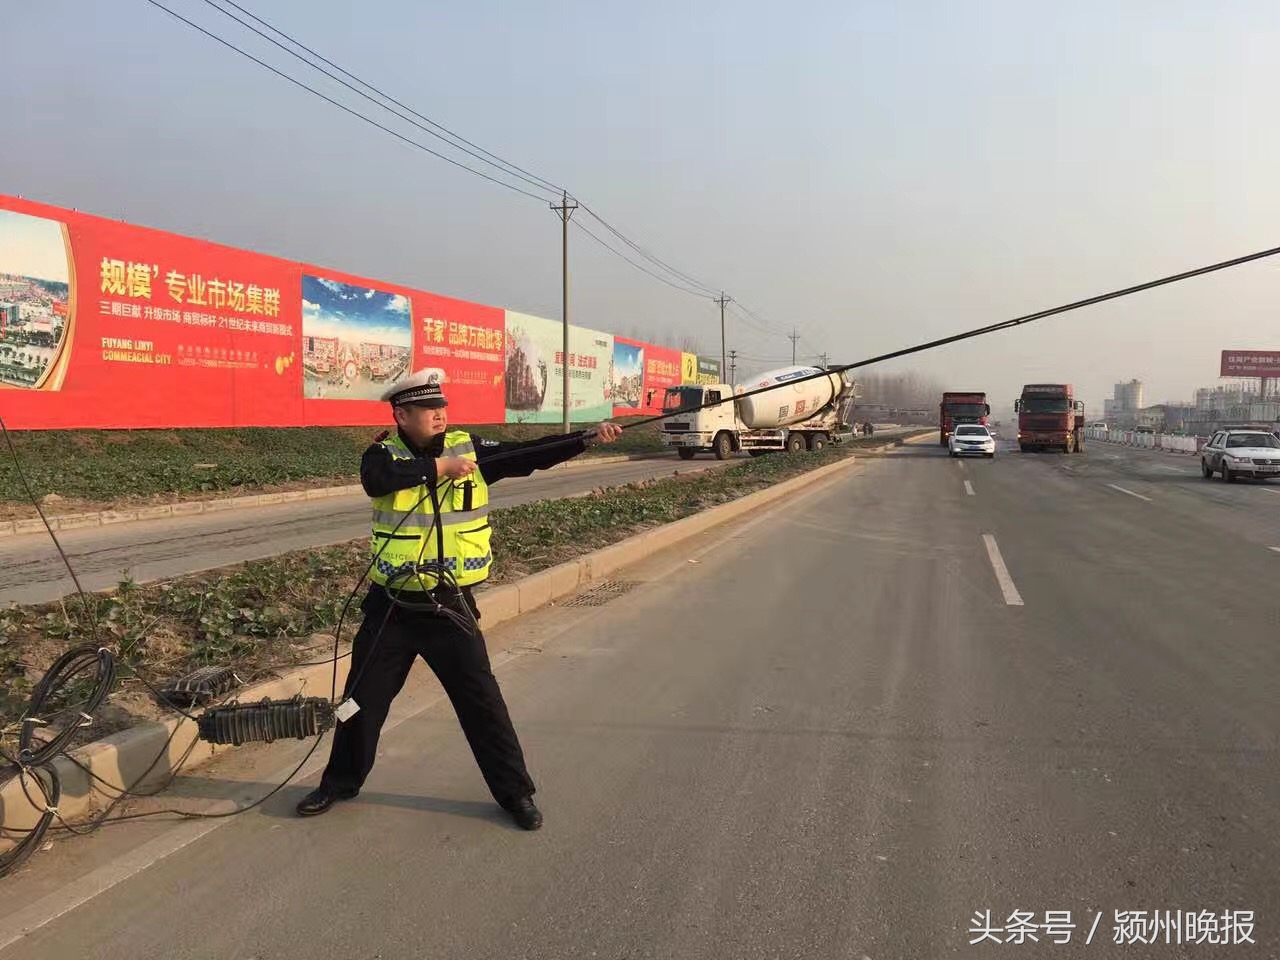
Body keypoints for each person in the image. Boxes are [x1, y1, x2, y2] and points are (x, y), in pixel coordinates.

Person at [296, 367, 622, 829]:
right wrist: (437, 468)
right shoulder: (381, 453)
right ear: (401, 415)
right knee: (361, 700)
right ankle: (339, 783)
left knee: (481, 701)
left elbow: (526, 454)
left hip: (449, 607)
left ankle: (516, 794)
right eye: (429, 410)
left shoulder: (469, 449)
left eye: (442, 408)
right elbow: (378, 480)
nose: (439, 415)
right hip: (391, 607)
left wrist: (586, 438)